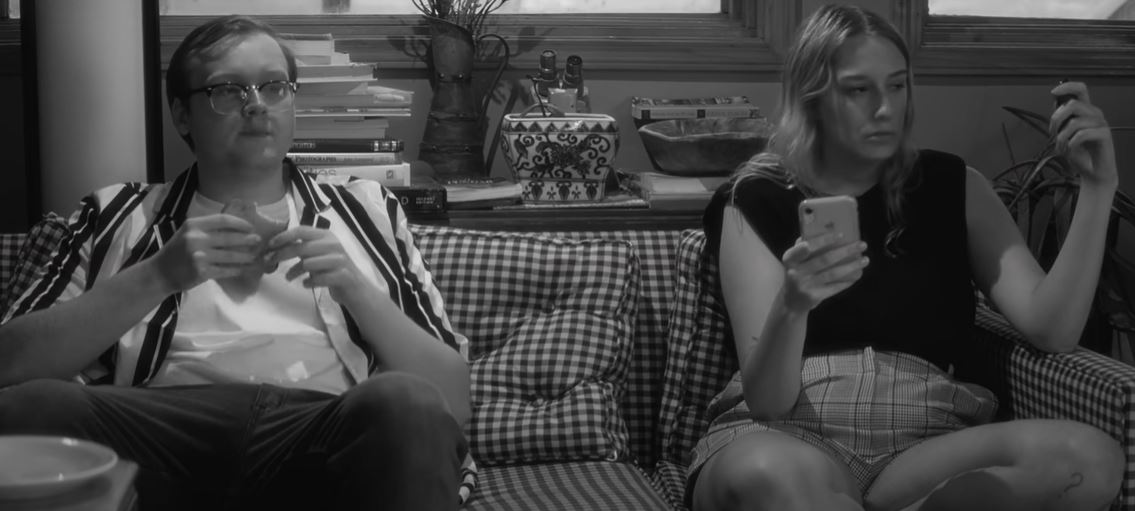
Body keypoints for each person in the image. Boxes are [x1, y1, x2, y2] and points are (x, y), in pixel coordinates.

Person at [0, 15, 473, 511]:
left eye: (274, 87)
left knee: (407, 406)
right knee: (34, 407)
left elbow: (452, 400)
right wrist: (158, 275)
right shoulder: (116, 212)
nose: (256, 104)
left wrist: (355, 289)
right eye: (227, 89)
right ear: (182, 115)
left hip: (321, 437)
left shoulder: (367, 211)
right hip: (158, 438)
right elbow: (11, 364)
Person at [688, 4, 1125, 511]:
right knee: (771, 475)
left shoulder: (954, 185)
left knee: (1090, 460)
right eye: (859, 90)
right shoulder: (754, 198)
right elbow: (768, 401)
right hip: (790, 433)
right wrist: (793, 305)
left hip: (927, 439)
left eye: (896, 86)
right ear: (811, 97)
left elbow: (1054, 329)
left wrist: (1098, 186)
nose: (884, 108)